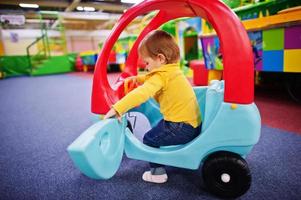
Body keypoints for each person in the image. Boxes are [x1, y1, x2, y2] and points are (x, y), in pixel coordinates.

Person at [104, 30, 201, 184]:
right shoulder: (173, 70)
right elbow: (154, 78)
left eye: (147, 63)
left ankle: (157, 173)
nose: (147, 68)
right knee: (159, 126)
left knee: (149, 139)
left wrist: (118, 108)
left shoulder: (161, 76)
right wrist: (138, 78)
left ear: (160, 58)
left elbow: (142, 93)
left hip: (180, 127)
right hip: (191, 124)